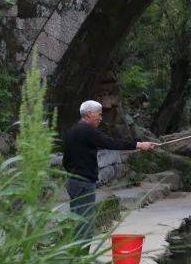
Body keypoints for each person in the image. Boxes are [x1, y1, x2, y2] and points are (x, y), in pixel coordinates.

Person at [63, 100, 157, 240]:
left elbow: (66, 161)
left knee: (78, 221)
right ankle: (81, 258)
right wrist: (139, 144)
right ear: (89, 114)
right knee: (85, 226)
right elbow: (111, 143)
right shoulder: (88, 131)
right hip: (84, 183)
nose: (101, 118)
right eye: (99, 114)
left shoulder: (72, 131)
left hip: (73, 182)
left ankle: (76, 258)